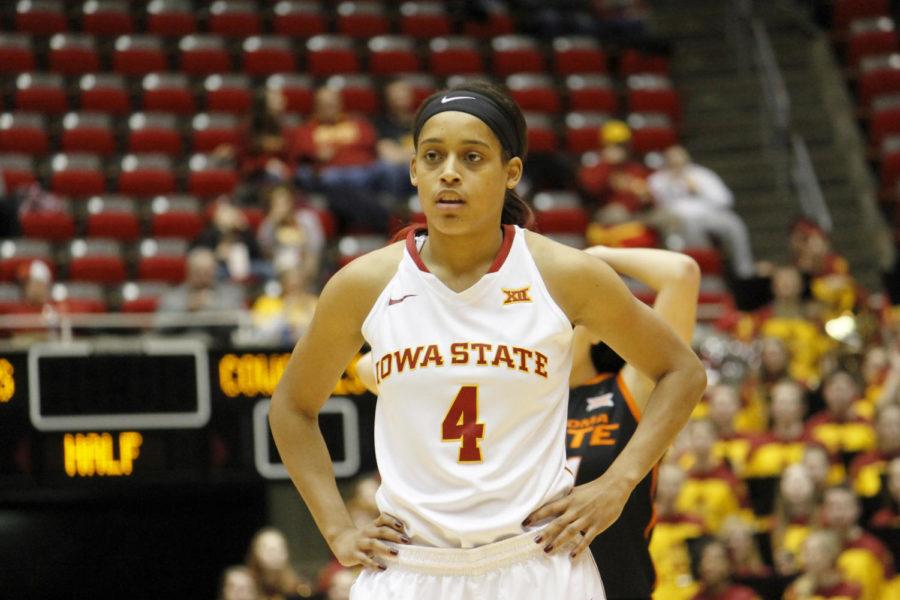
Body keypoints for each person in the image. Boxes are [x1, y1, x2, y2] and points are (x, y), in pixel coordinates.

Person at [268, 80, 706, 599]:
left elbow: (683, 372)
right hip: (410, 568)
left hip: (538, 563)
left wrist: (618, 482)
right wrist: (337, 528)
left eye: (472, 157)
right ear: (414, 170)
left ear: (511, 172)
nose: (449, 172)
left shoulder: (563, 273)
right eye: (433, 156)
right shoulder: (363, 283)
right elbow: (292, 407)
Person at [648, 145, 756, 280]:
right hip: (681, 218)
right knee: (691, 225)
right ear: (666, 161)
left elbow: (725, 200)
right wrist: (672, 183)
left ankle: (745, 271)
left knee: (734, 223)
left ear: (686, 158)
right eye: (672, 159)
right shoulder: (658, 179)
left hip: (709, 213)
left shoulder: (702, 174)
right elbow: (659, 205)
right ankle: (702, 271)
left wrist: (699, 189)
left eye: (679, 158)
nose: (676, 162)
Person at [245, 527, 313, 600]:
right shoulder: (246, 585)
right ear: (255, 553)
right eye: (268, 549)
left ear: (286, 553)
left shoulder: (298, 589)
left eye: (279, 548)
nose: (274, 553)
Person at [689, 537, 760, 600]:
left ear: (729, 565)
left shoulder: (746, 597)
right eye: (704, 560)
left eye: (715, 560)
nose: (707, 566)